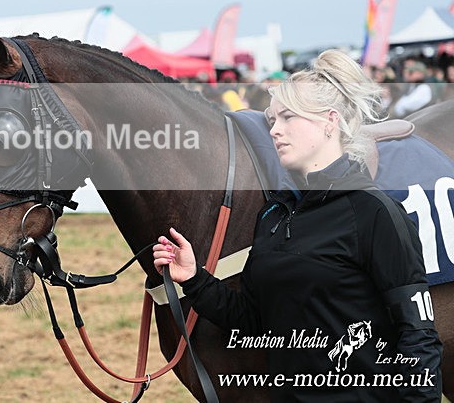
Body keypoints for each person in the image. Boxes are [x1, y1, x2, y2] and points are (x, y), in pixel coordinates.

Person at [153, 50, 442, 401]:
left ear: (329, 121)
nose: (275, 130)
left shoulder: (374, 212)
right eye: (273, 119)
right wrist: (195, 279)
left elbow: (418, 336)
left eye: (288, 118)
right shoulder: (274, 215)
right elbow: (256, 321)